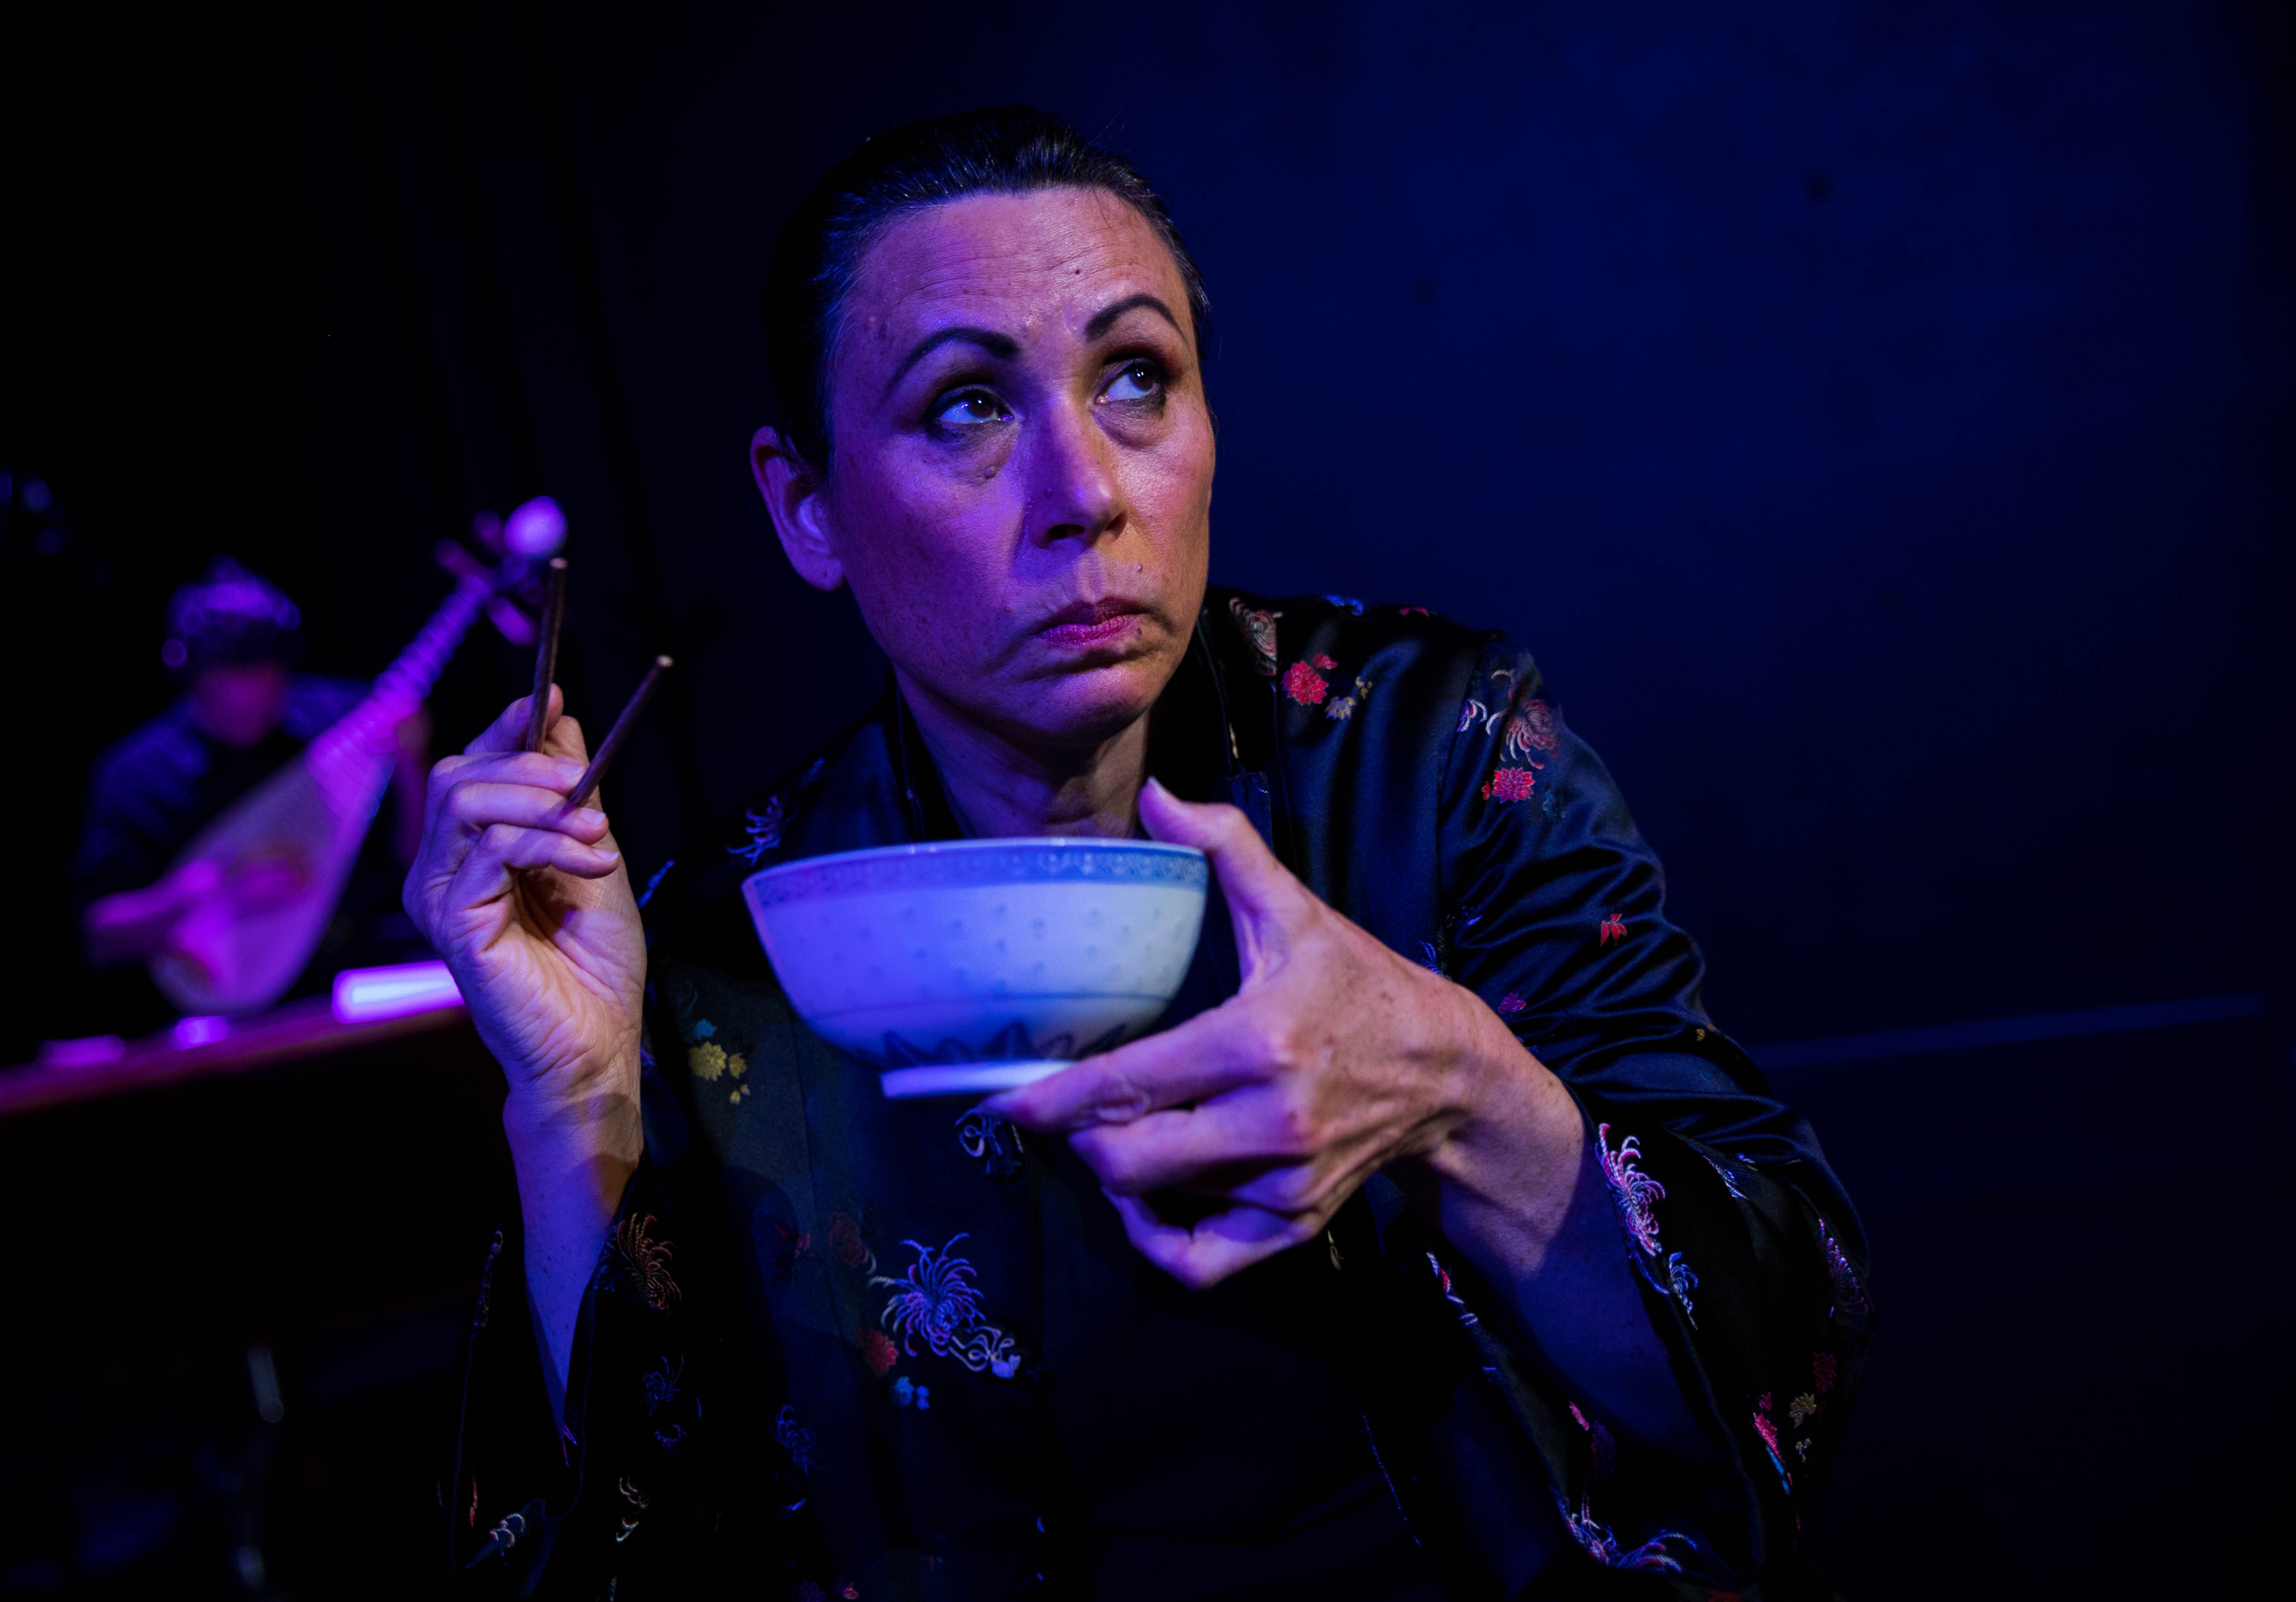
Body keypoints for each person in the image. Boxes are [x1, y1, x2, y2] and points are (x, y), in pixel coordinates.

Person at [408, 109, 1871, 1599]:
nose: (1089, 491)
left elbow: (1775, 1339)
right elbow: (631, 1553)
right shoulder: (745, 936)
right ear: (807, 507)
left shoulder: (1426, 757)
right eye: (967, 407)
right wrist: (573, 1098)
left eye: (1135, 379)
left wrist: (1458, 1089)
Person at [74, 559, 430, 1018]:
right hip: (227, 1001)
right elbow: (99, 939)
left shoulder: (343, 721)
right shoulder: (137, 778)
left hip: (363, 970)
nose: (249, 705)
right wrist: (194, 894)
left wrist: (411, 766)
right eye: (228, 699)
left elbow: (415, 862)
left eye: (264, 689)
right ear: (191, 678)